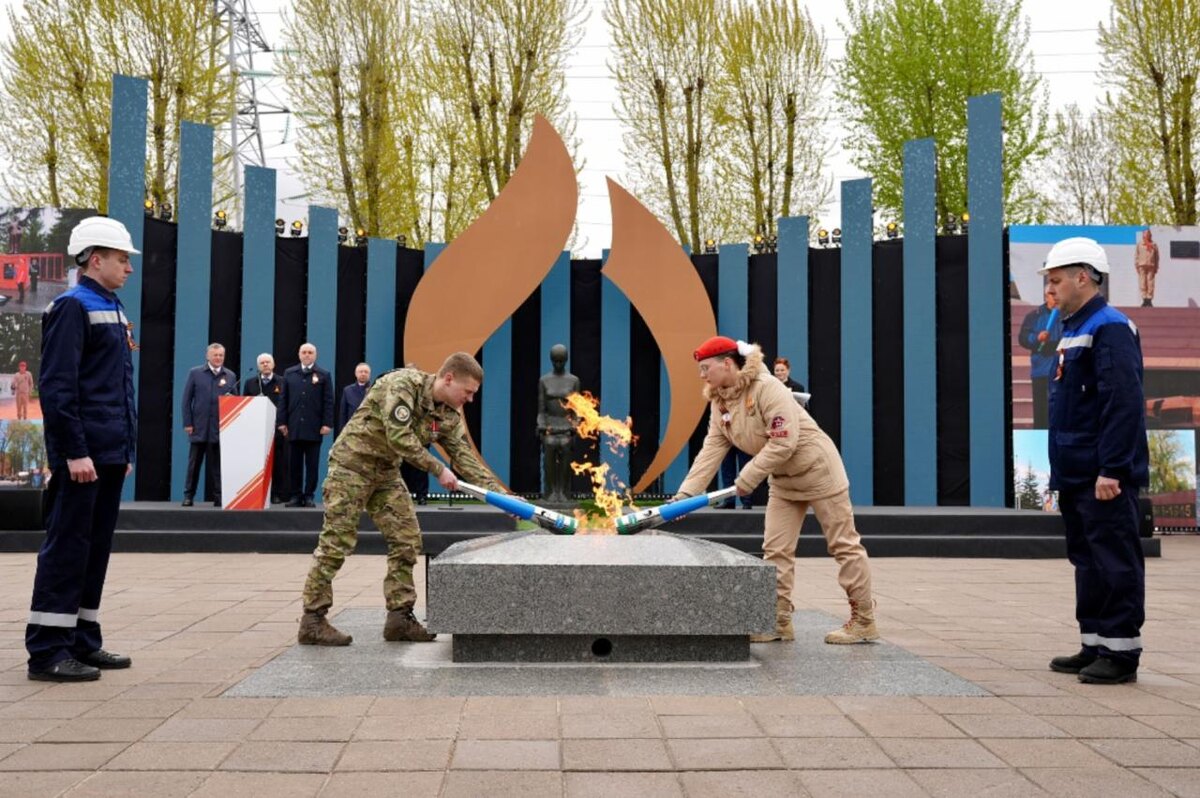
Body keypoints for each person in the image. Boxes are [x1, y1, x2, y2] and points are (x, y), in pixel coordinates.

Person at [673, 335, 878, 645]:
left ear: (727, 364)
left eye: (706, 368)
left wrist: (747, 478)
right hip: (783, 479)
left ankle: (863, 620)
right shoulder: (720, 402)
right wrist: (685, 496)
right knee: (776, 550)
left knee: (843, 545)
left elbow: (784, 442)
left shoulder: (768, 388)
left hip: (819, 471)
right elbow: (712, 448)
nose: (702, 375)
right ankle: (777, 621)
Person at [298, 352, 504, 645]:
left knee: (407, 539)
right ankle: (312, 621)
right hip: (351, 466)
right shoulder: (403, 385)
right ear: (449, 379)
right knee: (337, 542)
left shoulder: (447, 414)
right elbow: (399, 436)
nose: (470, 399)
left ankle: (399, 618)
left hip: (385, 473)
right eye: (468, 392)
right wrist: (438, 469)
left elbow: (465, 457)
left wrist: (504, 498)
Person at [25, 216, 138, 682]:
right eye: (121, 259)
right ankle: (47, 650)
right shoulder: (72, 306)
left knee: (94, 549)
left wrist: (123, 451)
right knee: (68, 549)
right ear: (95, 259)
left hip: (107, 454)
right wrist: (74, 452)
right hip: (83, 456)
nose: (129, 268)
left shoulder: (111, 305)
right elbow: (57, 386)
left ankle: (82, 641)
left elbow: (115, 388)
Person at [1042, 237, 1149, 685]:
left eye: (1056, 280)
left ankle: (1121, 654)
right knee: (1087, 561)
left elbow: (1122, 403)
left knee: (1114, 560)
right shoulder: (1074, 328)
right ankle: (1095, 644)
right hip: (1077, 473)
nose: (1050, 289)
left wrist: (1113, 469)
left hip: (1102, 475)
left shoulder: (1110, 327)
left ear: (1083, 277)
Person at [180, 343, 238, 507]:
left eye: (221, 355)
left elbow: (236, 402)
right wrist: (188, 423)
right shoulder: (195, 373)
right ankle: (188, 496)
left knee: (219, 466)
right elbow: (186, 400)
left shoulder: (230, 375)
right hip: (199, 426)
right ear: (208, 356)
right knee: (194, 465)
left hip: (220, 428)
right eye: (215, 355)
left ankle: (219, 497)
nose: (218, 358)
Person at [277, 342, 333, 507]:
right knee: (294, 464)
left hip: (314, 427)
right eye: (304, 352)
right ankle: (296, 495)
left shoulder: (323, 374)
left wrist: (327, 423)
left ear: (315, 355)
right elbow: (283, 399)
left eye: (310, 352)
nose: (307, 355)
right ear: (299, 354)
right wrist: (281, 422)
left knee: (312, 465)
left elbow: (328, 401)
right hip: (293, 426)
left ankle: (309, 495)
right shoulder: (289, 373)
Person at [537, 344, 581, 504]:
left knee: (565, 451)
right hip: (550, 426)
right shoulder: (544, 380)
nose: (558, 364)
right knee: (549, 451)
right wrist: (541, 425)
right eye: (555, 361)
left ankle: (564, 492)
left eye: (561, 361)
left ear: (566, 360)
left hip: (566, 427)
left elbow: (577, 409)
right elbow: (541, 410)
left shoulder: (574, 381)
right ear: (551, 360)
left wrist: (575, 425)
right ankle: (550, 492)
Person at [244, 352, 288, 504]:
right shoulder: (250, 383)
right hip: (256, 430)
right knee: (257, 463)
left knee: (277, 463)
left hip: (277, 430)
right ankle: (257, 492)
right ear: (258, 366)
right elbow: (245, 405)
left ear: (273, 364)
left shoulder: (282, 382)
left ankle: (276, 493)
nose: (265, 365)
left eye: (268, 362)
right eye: (262, 363)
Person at [1017, 286, 1063, 428]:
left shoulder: (1068, 315)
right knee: (1041, 414)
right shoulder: (1034, 316)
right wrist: (1037, 337)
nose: (1055, 297)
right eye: (1051, 294)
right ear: (1045, 296)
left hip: (1061, 371)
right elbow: (1023, 338)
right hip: (1041, 371)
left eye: (1057, 293)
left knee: (1061, 412)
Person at [337, 362, 372, 437]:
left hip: (369, 431)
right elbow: (343, 414)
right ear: (356, 374)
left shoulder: (375, 390)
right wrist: (342, 432)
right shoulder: (347, 390)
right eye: (361, 372)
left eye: (366, 372)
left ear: (369, 374)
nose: (363, 374)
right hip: (352, 431)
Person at [1134, 229, 1158, 307]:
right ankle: (1144, 299)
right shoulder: (1139, 244)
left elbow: (1157, 257)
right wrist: (1136, 265)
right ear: (1143, 235)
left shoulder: (1154, 244)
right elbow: (1136, 255)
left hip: (1151, 265)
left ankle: (1149, 299)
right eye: (1145, 233)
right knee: (1142, 282)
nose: (1147, 235)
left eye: (1148, 233)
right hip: (1142, 265)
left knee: (1150, 282)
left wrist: (1156, 266)